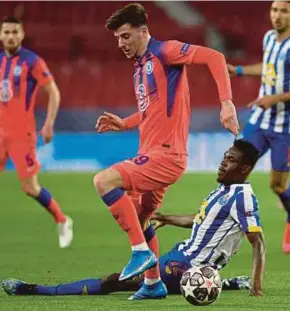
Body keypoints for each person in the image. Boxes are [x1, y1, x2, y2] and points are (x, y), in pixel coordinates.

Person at [94, 3, 239, 299]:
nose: (121, 43)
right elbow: (150, 112)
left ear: (143, 32)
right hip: (154, 153)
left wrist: (226, 102)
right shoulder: (139, 71)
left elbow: (214, 56)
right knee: (142, 216)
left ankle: (140, 254)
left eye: (125, 36)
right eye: (118, 39)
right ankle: (152, 284)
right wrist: (125, 122)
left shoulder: (165, 51)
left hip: (165, 156)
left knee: (104, 181)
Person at [2, 140, 265, 298]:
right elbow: (202, 221)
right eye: (224, 157)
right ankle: (226, 283)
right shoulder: (225, 190)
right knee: (139, 260)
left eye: (230, 160)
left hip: (185, 268)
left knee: (113, 282)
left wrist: (257, 287)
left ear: (244, 169)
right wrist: (166, 218)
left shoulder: (242, 197)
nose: (222, 163)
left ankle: (34, 290)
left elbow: (258, 242)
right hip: (181, 257)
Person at [0, 17, 73, 248]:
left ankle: (62, 220)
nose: (10, 36)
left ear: (21, 35)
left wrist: (49, 123)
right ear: (1, 35)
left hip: (22, 135)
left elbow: (53, 92)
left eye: (15, 32)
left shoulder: (32, 61)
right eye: (6, 32)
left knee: (30, 187)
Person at [227, 1, 290, 253]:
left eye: (284, 11)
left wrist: (272, 99)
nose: (277, 15)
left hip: (284, 128)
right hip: (258, 122)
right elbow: (269, 68)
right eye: (274, 10)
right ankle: (224, 230)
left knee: (277, 185)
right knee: (233, 169)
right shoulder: (269, 39)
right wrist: (240, 70)